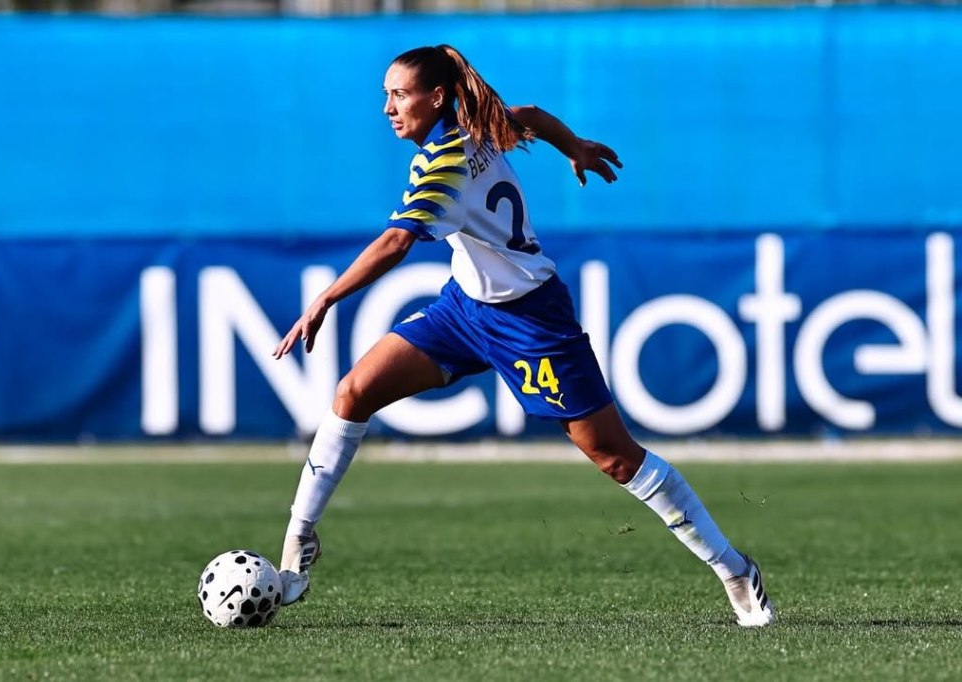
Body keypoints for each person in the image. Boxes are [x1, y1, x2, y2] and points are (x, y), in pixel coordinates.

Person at [273, 44, 775, 627]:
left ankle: (734, 569)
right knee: (354, 392)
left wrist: (325, 298)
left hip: (532, 320)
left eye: (399, 95)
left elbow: (397, 242)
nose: (387, 108)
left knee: (616, 459)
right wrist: (574, 146)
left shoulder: (443, 163)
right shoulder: (477, 126)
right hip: (465, 309)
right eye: (386, 95)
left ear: (436, 98)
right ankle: (300, 536)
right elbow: (529, 115)